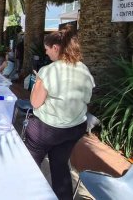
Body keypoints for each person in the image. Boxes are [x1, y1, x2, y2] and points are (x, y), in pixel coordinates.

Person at [25, 25, 95, 199]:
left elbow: (35, 102)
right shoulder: (84, 69)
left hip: (46, 130)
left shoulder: (48, 71)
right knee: (60, 165)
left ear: (56, 48)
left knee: (29, 166)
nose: (47, 53)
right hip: (74, 129)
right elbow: (86, 99)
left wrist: (37, 82)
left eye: (47, 50)